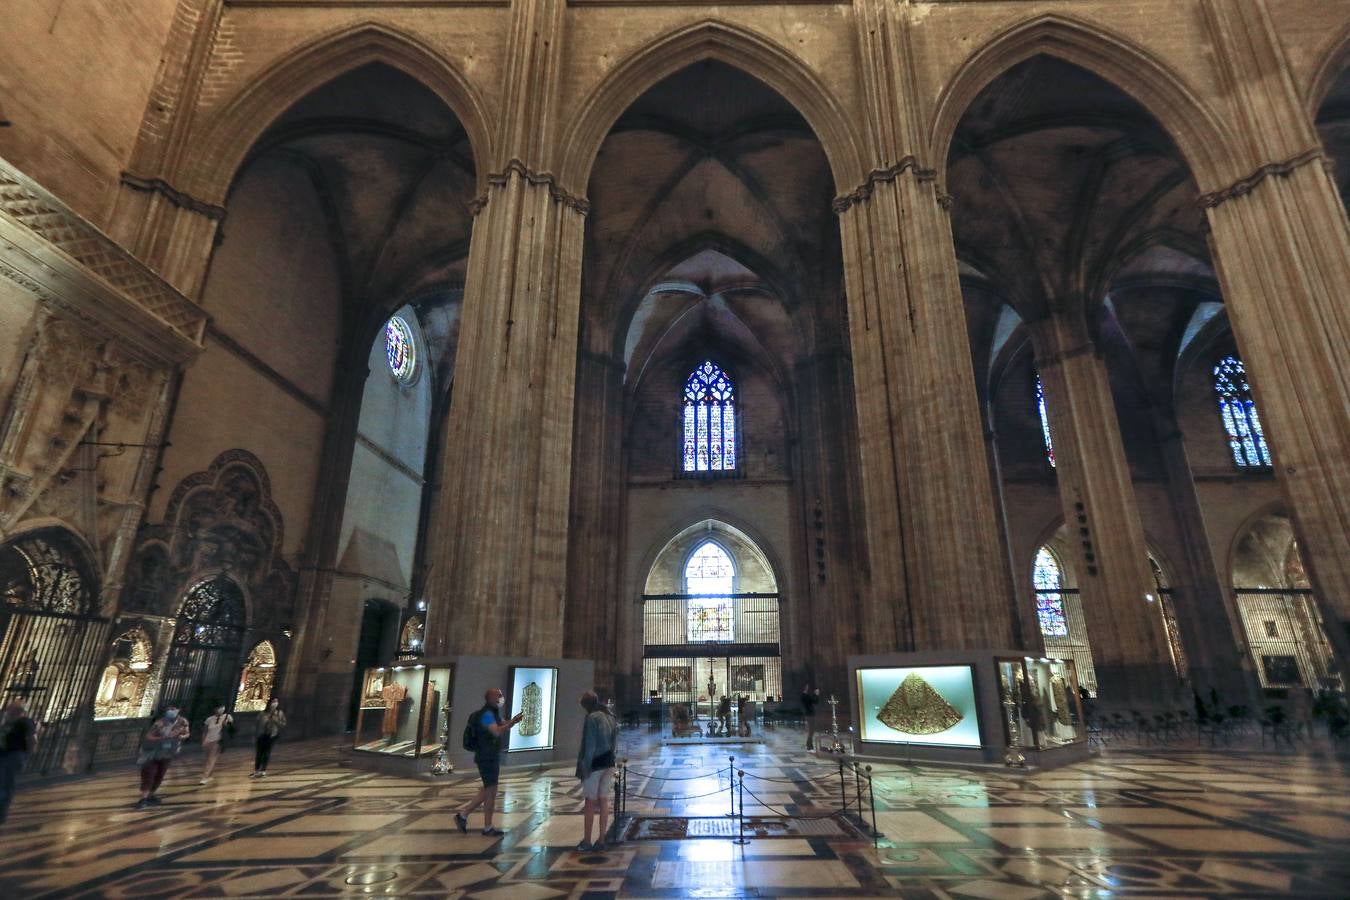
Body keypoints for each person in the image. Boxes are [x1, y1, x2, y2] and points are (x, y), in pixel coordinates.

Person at [454, 688, 524, 837]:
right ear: (491, 698)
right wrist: (510, 723)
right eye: (499, 695)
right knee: (489, 791)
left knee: (489, 791)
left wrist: (513, 721)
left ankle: (480, 822)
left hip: (489, 756)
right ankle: (467, 816)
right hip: (487, 757)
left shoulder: (492, 714)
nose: (501, 697)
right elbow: (496, 731)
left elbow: (502, 724)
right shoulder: (486, 715)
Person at [575, 691, 618, 851]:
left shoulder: (592, 718)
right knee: (604, 800)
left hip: (595, 763)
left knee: (590, 802)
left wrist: (585, 767)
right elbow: (614, 742)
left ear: (585, 705)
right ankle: (601, 839)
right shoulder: (610, 716)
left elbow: (590, 745)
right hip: (609, 761)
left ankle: (587, 841)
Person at [136, 706, 189, 809]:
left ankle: (151, 794)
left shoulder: (182, 721)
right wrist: (161, 739)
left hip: (168, 751)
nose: (171, 711)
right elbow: (149, 736)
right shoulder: (160, 722)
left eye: (174, 709)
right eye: (170, 709)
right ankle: (144, 797)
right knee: (149, 773)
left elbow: (186, 734)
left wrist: (178, 738)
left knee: (160, 773)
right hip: (152, 751)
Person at [0, 699, 37, 824]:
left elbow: (32, 739)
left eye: (10, 709)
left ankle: (1, 814)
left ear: (18, 711)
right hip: (4, 755)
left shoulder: (25, 722)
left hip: (13, 756)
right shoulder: (8, 722)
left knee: (5, 785)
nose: (8, 711)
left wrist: (28, 755)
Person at [250, 697, 286, 778]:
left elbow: (283, 724)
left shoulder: (279, 713)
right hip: (261, 735)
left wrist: (276, 720)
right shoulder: (262, 713)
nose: (274, 704)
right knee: (259, 753)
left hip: (272, 735)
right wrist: (254, 735)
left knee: (267, 753)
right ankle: (256, 770)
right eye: (273, 702)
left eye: (276, 702)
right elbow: (256, 725)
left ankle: (263, 771)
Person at [199, 704, 234, 784]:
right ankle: (210, 775)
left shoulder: (227, 717)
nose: (220, 709)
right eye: (218, 707)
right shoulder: (209, 719)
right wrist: (203, 740)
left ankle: (204, 777)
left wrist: (227, 725)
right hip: (208, 741)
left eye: (221, 707)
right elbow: (205, 730)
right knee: (208, 759)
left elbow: (232, 729)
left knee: (211, 759)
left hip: (218, 740)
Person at [801, 684, 820, 750]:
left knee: (811, 731)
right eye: (806, 686)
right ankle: (809, 744)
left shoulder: (806, 695)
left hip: (810, 714)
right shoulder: (805, 695)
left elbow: (813, 701)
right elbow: (814, 701)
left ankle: (809, 744)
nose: (808, 687)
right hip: (809, 715)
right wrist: (816, 694)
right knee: (811, 730)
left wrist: (815, 695)